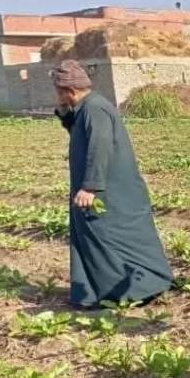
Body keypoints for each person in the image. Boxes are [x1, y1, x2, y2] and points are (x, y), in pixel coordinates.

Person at [53, 60, 174, 308]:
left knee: (109, 236)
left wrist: (90, 187)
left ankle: (135, 290)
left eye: (59, 91)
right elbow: (81, 133)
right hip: (107, 189)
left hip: (110, 191)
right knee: (99, 235)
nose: (58, 96)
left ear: (70, 90)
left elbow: (99, 148)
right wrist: (65, 114)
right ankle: (108, 290)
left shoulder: (95, 109)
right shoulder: (86, 108)